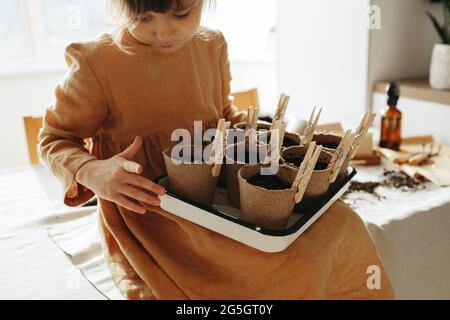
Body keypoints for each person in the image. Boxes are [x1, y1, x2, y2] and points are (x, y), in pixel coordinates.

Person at [39, 0, 394, 300]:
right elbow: (54, 138)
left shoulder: (211, 44)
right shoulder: (96, 61)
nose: (164, 33)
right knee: (279, 270)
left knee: (342, 225)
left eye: (181, 15)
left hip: (220, 188)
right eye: (144, 17)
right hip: (151, 205)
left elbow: (222, 117)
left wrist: (263, 134)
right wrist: (89, 171)